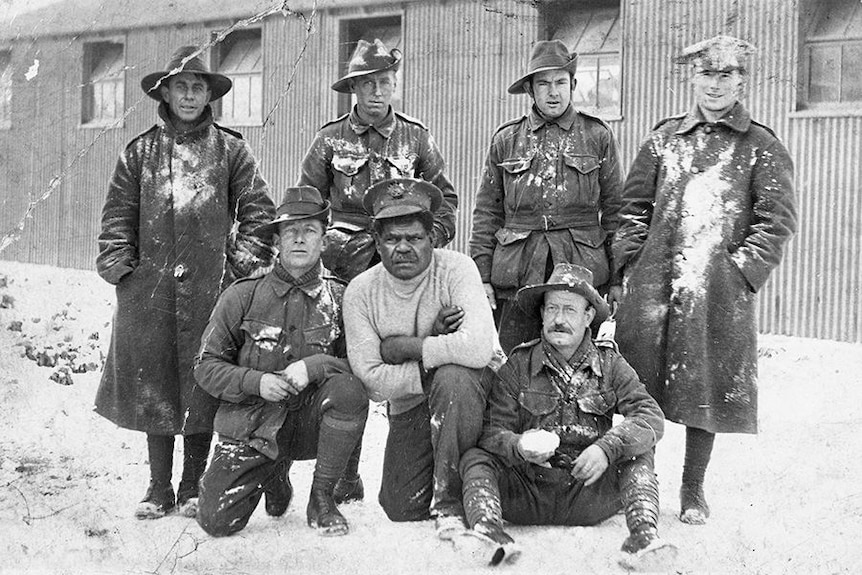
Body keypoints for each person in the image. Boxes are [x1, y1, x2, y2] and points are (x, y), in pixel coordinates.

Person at [612, 35, 797, 525]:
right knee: (640, 386)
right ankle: (640, 479)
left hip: (715, 291)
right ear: (692, 79)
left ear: (742, 81)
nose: (715, 86)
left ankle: (692, 489)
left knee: (704, 385)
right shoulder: (663, 139)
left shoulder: (761, 146)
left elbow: (775, 220)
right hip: (653, 288)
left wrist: (739, 273)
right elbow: (632, 208)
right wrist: (631, 264)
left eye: (726, 75)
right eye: (706, 75)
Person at [95, 45, 275, 520]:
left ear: (209, 94)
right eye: (182, 87)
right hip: (149, 293)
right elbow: (116, 220)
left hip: (210, 293)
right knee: (154, 383)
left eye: (198, 87)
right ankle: (157, 487)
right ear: (166, 92)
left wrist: (237, 270)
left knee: (203, 382)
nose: (190, 95)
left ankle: (193, 486)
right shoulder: (139, 152)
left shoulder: (231, 149)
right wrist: (124, 272)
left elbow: (260, 215)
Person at [298, 38, 458, 504]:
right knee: (347, 370)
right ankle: (345, 473)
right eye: (367, 84)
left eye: (384, 82)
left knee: (404, 365)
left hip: (404, 274)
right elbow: (307, 202)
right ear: (352, 88)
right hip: (345, 271)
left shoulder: (415, 137)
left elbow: (444, 199)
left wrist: (432, 241)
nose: (376, 92)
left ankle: (404, 472)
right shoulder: (329, 140)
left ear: (394, 85)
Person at [459, 263, 676, 570]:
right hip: (529, 491)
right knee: (475, 457)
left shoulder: (611, 364)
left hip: (589, 494)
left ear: (589, 317)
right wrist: (520, 445)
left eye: (570, 310)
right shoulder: (518, 364)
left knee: (638, 450)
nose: (559, 320)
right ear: (542, 314)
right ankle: (489, 532)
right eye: (552, 309)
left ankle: (643, 538)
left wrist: (607, 448)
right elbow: (492, 431)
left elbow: (650, 415)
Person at [194, 187, 368, 537]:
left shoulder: (342, 297)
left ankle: (322, 498)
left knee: (348, 391)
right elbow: (205, 365)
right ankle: (273, 473)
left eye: (310, 231)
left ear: (324, 240)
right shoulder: (242, 295)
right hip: (253, 425)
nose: (300, 240)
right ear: (277, 241)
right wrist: (255, 381)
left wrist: (315, 366)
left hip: (310, 422)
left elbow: (363, 365)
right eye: (291, 232)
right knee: (216, 521)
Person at [342, 177, 497, 536]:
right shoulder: (361, 292)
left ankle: (453, 502)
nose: (403, 248)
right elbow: (371, 380)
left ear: (432, 239)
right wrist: (434, 350)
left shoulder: (457, 268)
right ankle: (459, 481)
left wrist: (406, 347)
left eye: (414, 238)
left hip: (474, 395)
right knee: (400, 506)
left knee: (454, 375)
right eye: (392, 239)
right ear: (376, 243)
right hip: (411, 403)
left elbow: (477, 348)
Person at [470, 40, 623, 353]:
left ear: (573, 85)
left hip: (582, 267)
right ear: (530, 90)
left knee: (580, 361)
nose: (553, 92)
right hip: (518, 272)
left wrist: (619, 277)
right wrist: (482, 277)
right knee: (517, 361)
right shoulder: (506, 139)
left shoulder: (598, 136)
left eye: (560, 83)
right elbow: (487, 212)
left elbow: (616, 211)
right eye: (543, 84)